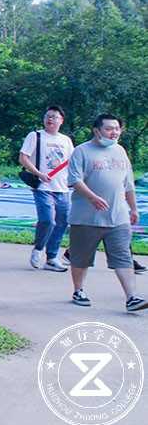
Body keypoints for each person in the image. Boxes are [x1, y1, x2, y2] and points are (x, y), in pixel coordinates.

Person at [66, 114, 146, 312]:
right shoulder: (81, 151)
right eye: (109, 128)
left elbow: (128, 184)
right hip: (86, 217)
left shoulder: (120, 151)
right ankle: (79, 290)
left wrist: (133, 208)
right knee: (81, 257)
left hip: (118, 216)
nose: (114, 132)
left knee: (123, 256)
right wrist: (92, 197)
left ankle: (132, 297)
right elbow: (75, 179)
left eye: (117, 129)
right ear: (96, 130)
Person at [19, 106, 74, 273]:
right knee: (48, 220)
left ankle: (52, 257)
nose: (50, 119)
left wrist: (73, 181)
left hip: (62, 188)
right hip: (43, 186)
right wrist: (38, 174)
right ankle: (38, 249)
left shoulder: (66, 140)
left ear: (61, 120)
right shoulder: (35, 136)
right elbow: (23, 158)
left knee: (62, 221)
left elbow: (72, 162)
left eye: (54, 117)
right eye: (48, 116)